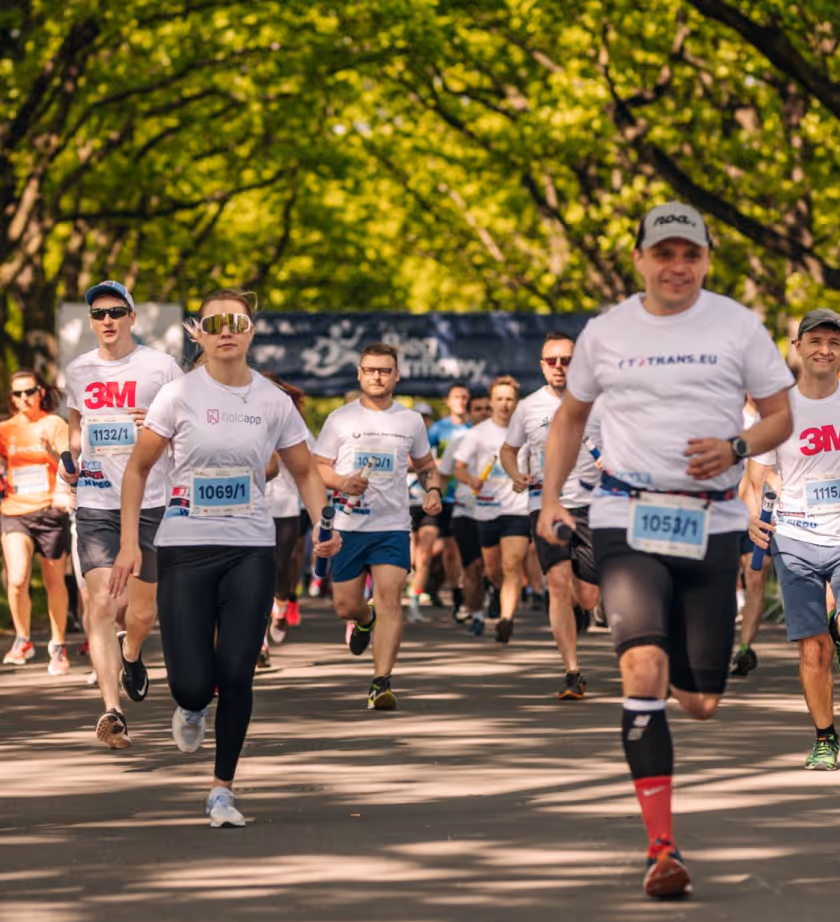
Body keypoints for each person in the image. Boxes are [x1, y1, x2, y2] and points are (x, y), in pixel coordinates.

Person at [537, 202, 793, 899]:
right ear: (641, 259)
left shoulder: (738, 325)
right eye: (664, 253)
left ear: (707, 258)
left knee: (703, 701)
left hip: (710, 523)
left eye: (691, 254)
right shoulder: (608, 331)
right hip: (627, 512)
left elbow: (780, 415)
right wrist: (552, 498)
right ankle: (661, 849)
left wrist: (737, 447)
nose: (677, 266)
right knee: (642, 668)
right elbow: (571, 418)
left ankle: (674, 643)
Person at [110, 289, 340, 828]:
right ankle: (192, 707)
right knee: (193, 683)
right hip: (185, 546)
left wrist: (323, 524)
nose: (226, 330)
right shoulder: (178, 395)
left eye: (236, 320)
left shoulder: (273, 400)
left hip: (250, 548)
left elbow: (304, 471)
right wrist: (127, 541)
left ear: (251, 329)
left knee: (237, 671)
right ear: (200, 333)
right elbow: (138, 470)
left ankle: (222, 789)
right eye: (215, 322)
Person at [61, 280, 182, 749]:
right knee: (100, 604)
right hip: (95, 501)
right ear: (91, 321)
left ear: (132, 316)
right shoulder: (78, 370)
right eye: (98, 313)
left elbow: (184, 428)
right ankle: (111, 711)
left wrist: (154, 427)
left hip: (151, 501)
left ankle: (132, 651)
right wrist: (68, 460)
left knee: (143, 611)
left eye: (115, 311)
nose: (106, 320)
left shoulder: (162, 367)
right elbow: (77, 427)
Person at [313, 343, 441, 709]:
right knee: (345, 605)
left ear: (396, 376)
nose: (377, 376)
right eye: (370, 370)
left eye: (384, 370)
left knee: (390, 599)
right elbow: (316, 467)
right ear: (360, 373)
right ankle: (363, 619)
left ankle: (380, 682)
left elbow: (428, 464)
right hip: (348, 525)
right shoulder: (341, 418)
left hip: (392, 526)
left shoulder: (411, 421)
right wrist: (340, 481)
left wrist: (432, 488)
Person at [748, 309, 840, 769]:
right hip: (794, 536)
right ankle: (826, 737)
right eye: (817, 340)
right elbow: (758, 472)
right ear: (798, 347)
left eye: (835, 342)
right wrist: (752, 517)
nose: (826, 349)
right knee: (814, 647)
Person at [501, 333, 601, 700]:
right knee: (557, 585)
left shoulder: (598, 404)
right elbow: (509, 450)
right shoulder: (528, 407)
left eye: (567, 360)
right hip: (547, 505)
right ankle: (572, 672)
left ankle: (585, 609)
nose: (560, 367)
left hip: (591, 506)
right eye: (552, 361)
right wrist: (514, 474)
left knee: (588, 596)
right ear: (542, 365)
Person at [0, 370, 71, 674]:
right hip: (15, 512)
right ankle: (23, 638)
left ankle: (57, 645)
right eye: (17, 394)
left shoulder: (54, 423)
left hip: (49, 510)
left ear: (41, 392)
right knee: (16, 578)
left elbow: (70, 459)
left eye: (29, 391)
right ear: (11, 398)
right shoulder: (5, 429)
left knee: (55, 581)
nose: (24, 398)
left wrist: (52, 456)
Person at [453, 376, 529, 644]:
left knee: (512, 564)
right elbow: (458, 467)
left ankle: (506, 619)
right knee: (493, 569)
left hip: (518, 507)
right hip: (485, 509)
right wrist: (470, 479)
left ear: (516, 401)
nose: (505, 404)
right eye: (500, 399)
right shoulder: (477, 433)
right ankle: (499, 594)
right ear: (492, 400)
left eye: (510, 399)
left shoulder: (527, 430)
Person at [264, 377, 314, 648]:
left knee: (279, 564)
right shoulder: (243, 419)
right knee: (257, 571)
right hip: (251, 507)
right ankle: (259, 642)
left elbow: (313, 468)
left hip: (285, 507)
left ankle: (281, 605)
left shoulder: (297, 427)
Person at [439, 393, 492, 631]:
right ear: (470, 414)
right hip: (465, 511)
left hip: (500, 511)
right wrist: (435, 497)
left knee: (494, 566)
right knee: (473, 566)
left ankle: (494, 595)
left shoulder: (509, 439)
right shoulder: (459, 441)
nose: (483, 412)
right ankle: (477, 613)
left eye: (487, 408)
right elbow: (442, 474)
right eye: (478, 409)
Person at [426, 384, 471, 618]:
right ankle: (456, 593)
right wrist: (439, 469)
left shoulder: (475, 428)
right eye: (456, 397)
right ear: (448, 401)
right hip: (446, 495)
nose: (461, 401)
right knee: (450, 549)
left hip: (470, 497)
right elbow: (419, 457)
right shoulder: (437, 429)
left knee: (464, 550)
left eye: (465, 397)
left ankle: (462, 589)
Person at [407, 401, 437, 622]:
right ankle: (399, 598)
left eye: (425, 417)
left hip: (426, 505)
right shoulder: (402, 437)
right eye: (418, 416)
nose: (422, 420)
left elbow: (436, 470)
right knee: (408, 558)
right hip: (404, 505)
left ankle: (415, 604)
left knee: (424, 557)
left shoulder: (432, 444)